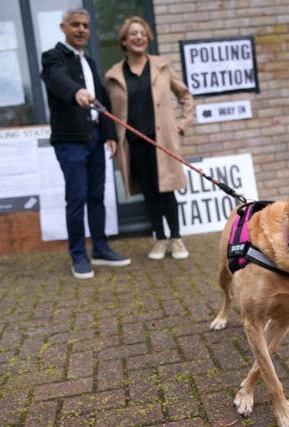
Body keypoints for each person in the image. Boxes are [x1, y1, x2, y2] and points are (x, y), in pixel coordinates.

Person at [41, 7, 130, 279]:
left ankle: (101, 249)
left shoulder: (89, 63)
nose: (81, 30)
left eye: (85, 26)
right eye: (75, 25)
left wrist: (111, 135)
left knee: (96, 197)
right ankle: (78, 255)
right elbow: (57, 80)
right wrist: (75, 91)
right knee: (76, 198)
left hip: (94, 138)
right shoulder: (53, 57)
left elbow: (100, 100)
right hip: (70, 142)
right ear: (63, 27)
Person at [105, 16, 194, 261]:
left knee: (167, 191)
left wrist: (182, 125)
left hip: (162, 143)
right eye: (133, 33)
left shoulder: (162, 66)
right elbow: (108, 112)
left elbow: (185, 96)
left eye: (142, 34)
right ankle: (159, 238)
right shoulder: (114, 75)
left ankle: (176, 238)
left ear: (148, 39)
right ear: (124, 40)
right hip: (134, 145)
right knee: (150, 193)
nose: (138, 37)